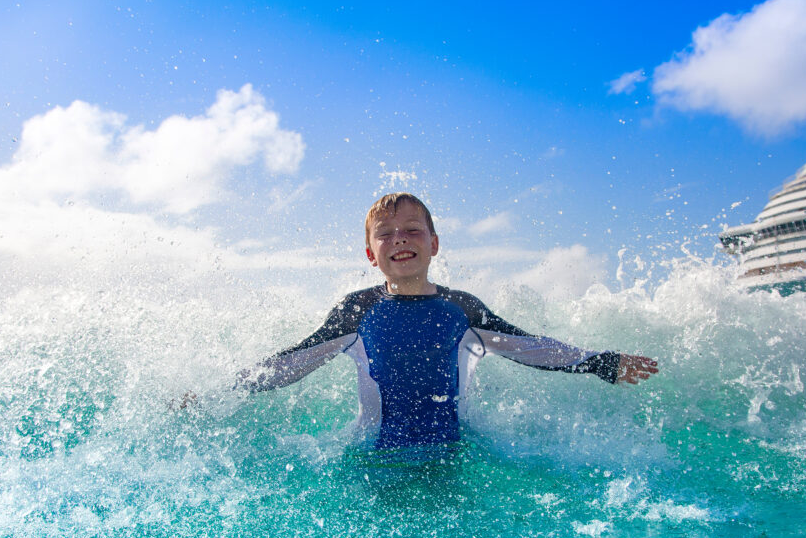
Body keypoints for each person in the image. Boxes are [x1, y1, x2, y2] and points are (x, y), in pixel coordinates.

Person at [225, 192, 658, 449]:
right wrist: (224, 393)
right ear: (371, 255)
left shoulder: (462, 309)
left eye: (412, 229)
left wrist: (599, 362)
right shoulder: (357, 311)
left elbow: (529, 346)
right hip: (376, 456)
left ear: (433, 243)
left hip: (451, 453)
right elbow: (294, 361)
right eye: (385, 233)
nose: (400, 238)